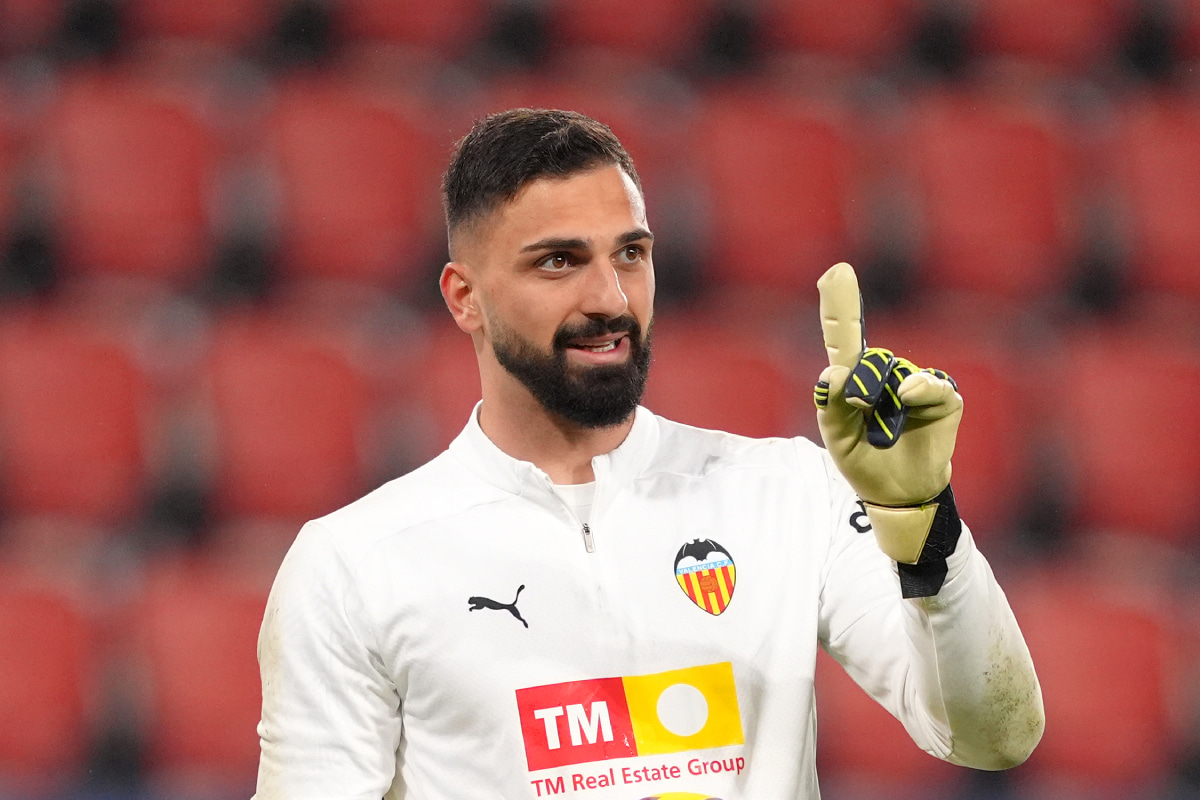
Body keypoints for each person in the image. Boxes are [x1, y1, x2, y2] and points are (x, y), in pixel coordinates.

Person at [254, 108, 1044, 799]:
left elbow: (993, 736)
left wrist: (923, 521)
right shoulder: (354, 565)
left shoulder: (789, 491)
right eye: (559, 261)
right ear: (466, 298)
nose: (611, 298)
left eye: (630, 254)